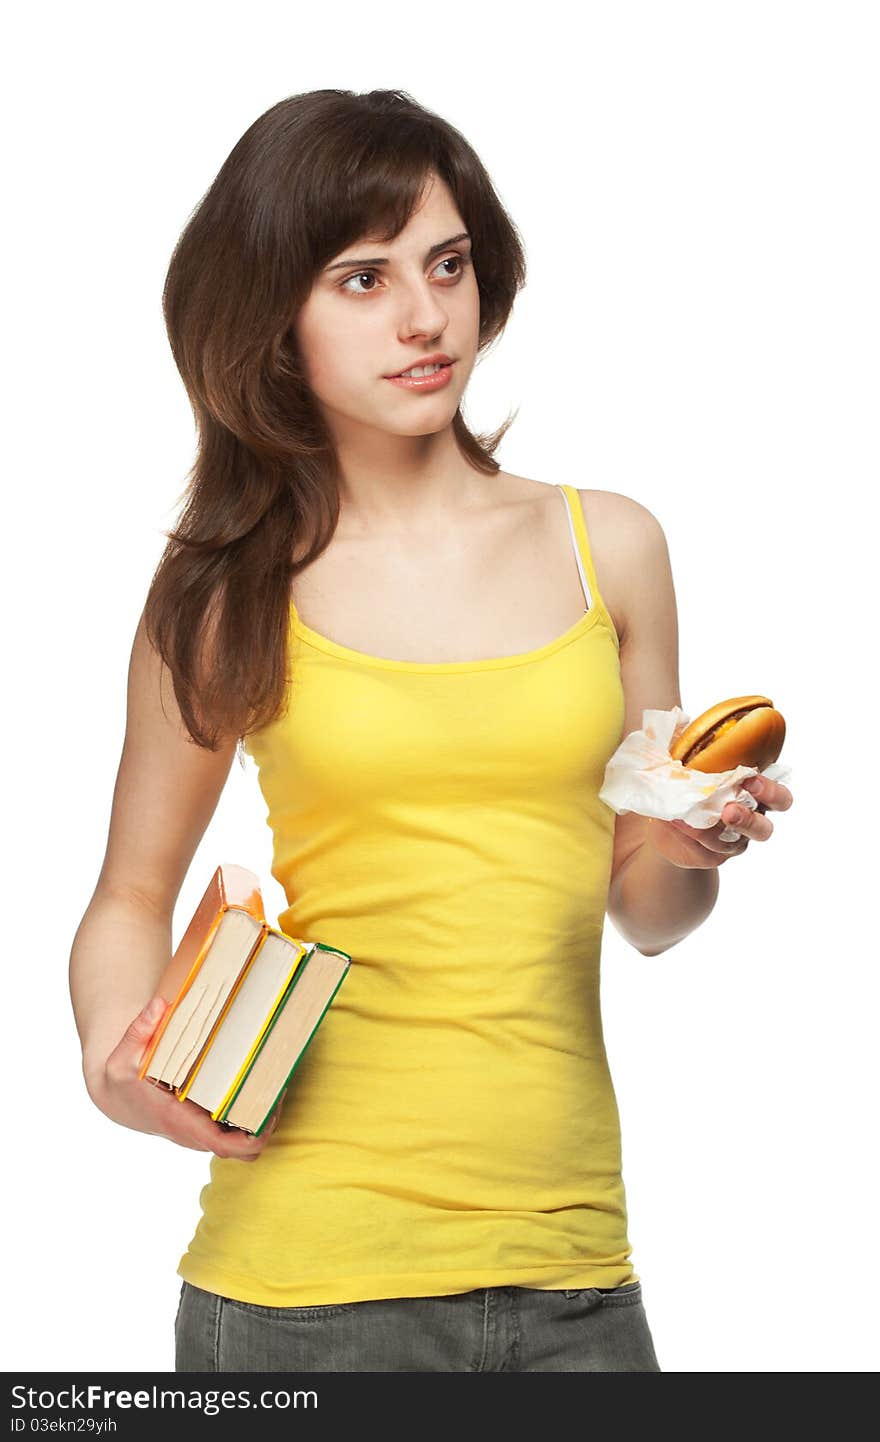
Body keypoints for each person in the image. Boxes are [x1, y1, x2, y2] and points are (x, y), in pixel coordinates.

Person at [69, 88, 794, 1374]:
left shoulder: (608, 545)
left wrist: (694, 845)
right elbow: (132, 889)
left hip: (575, 1274)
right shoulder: (226, 586)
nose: (423, 316)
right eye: (361, 277)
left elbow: (643, 911)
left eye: (446, 263)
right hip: (297, 1291)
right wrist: (116, 1065)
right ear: (273, 316)